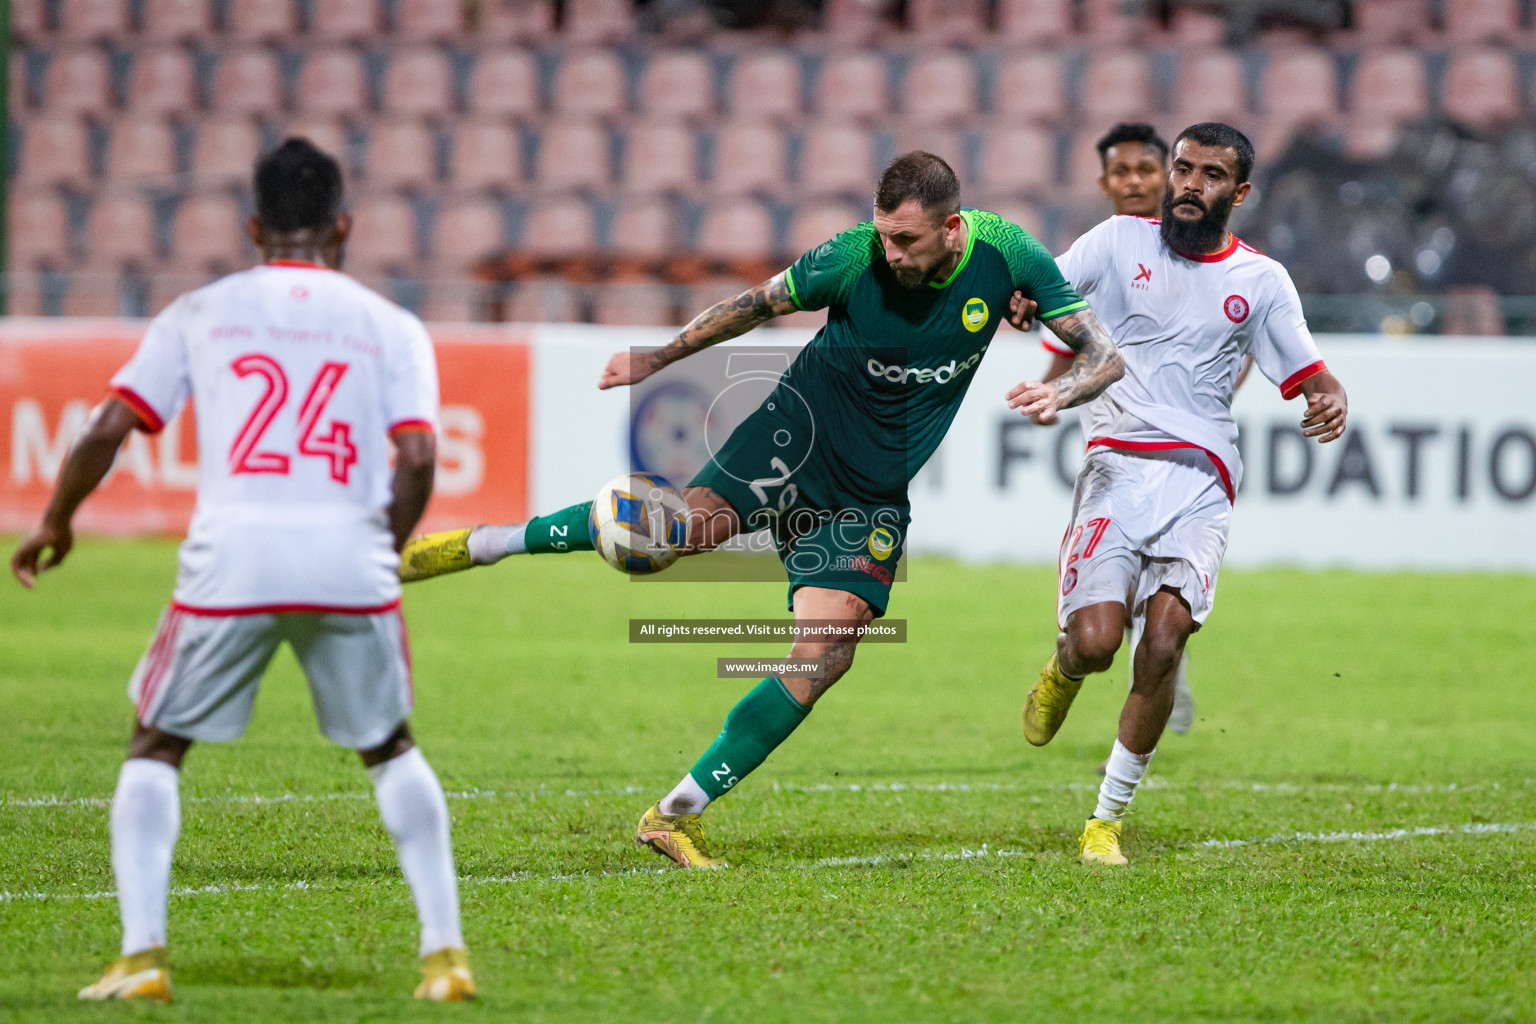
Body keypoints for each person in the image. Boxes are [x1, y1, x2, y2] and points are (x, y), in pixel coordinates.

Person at [401, 151, 1124, 868]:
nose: (891, 252)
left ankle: (674, 814)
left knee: (826, 651)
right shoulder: (850, 257)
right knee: (667, 536)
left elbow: (1104, 355)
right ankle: (483, 542)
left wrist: (1060, 394)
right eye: (884, 235)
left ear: (952, 228)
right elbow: (751, 305)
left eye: (906, 239)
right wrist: (657, 358)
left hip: (868, 494)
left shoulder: (1011, 256)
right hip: (791, 439)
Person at [10, 140, 474, 1002]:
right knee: (390, 747)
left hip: (233, 562)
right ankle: (445, 958)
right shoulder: (391, 326)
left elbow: (109, 428)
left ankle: (142, 957)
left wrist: (55, 521)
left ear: (255, 227)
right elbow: (416, 455)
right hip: (348, 560)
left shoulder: (203, 312)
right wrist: (384, 543)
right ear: (345, 226)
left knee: (156, 742)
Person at [1014, 123, 1348, 867]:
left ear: (1241, 191)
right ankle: (1065, 666)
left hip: (1201, 479)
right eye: (1183, 168)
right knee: (1099, 644)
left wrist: (1330, 397)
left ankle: (1105, 821)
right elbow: (1042, 286)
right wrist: (1016, 299)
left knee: (1163, 645)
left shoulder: (1260, 282)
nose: (1191, 185)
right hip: (1117, 468)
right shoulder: (1117, 241)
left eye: (1211, 175)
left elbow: (1309, 371)